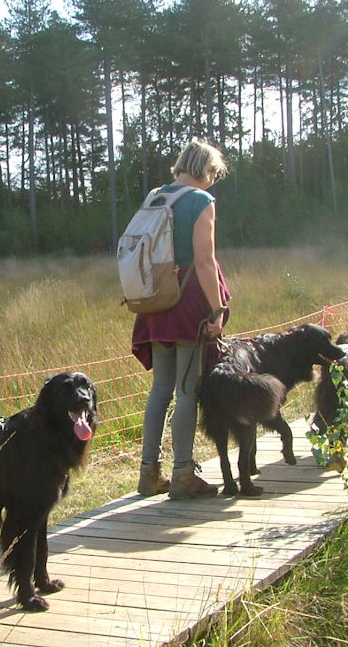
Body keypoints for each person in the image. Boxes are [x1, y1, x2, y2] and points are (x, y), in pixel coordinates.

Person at [132, 138, 231, 499]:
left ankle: (149, 473)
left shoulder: (156, 195)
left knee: (161, 389)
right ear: (206, 170)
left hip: (156, 298)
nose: (212, 182)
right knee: (187, 390)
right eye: (213, 175)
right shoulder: (201, 201)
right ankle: (183, 475)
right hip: (188, 300)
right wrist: (217, 309)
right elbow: (205, 262)